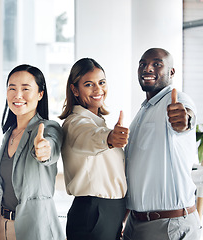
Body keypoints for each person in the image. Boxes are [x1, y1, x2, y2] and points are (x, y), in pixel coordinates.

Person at [123, 48, 201, 240]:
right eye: (142, 64)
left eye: (157, 64)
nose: (147, 68)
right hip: (136, 223)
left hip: (168, 226)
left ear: (171, 72)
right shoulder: (142, 111)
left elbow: (185, 116)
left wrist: (184, 119)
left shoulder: (176, 99)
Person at [0, 64, 65, 240]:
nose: (18, 95)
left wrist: (44, 150)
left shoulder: (47, 128)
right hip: (2, 226)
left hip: (35, 229)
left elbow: (49, 148)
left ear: (40, 94)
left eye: (25, 89)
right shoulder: (8, 134)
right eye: (12, 88)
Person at [59, 58, 128, 240]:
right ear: (75, 89)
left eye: (102, 82)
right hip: (93, 214)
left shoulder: (98, 122)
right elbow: (89, 137)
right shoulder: (74, 123)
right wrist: (110, 138)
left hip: (110, 213)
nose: (98, 90)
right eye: (89, 84)